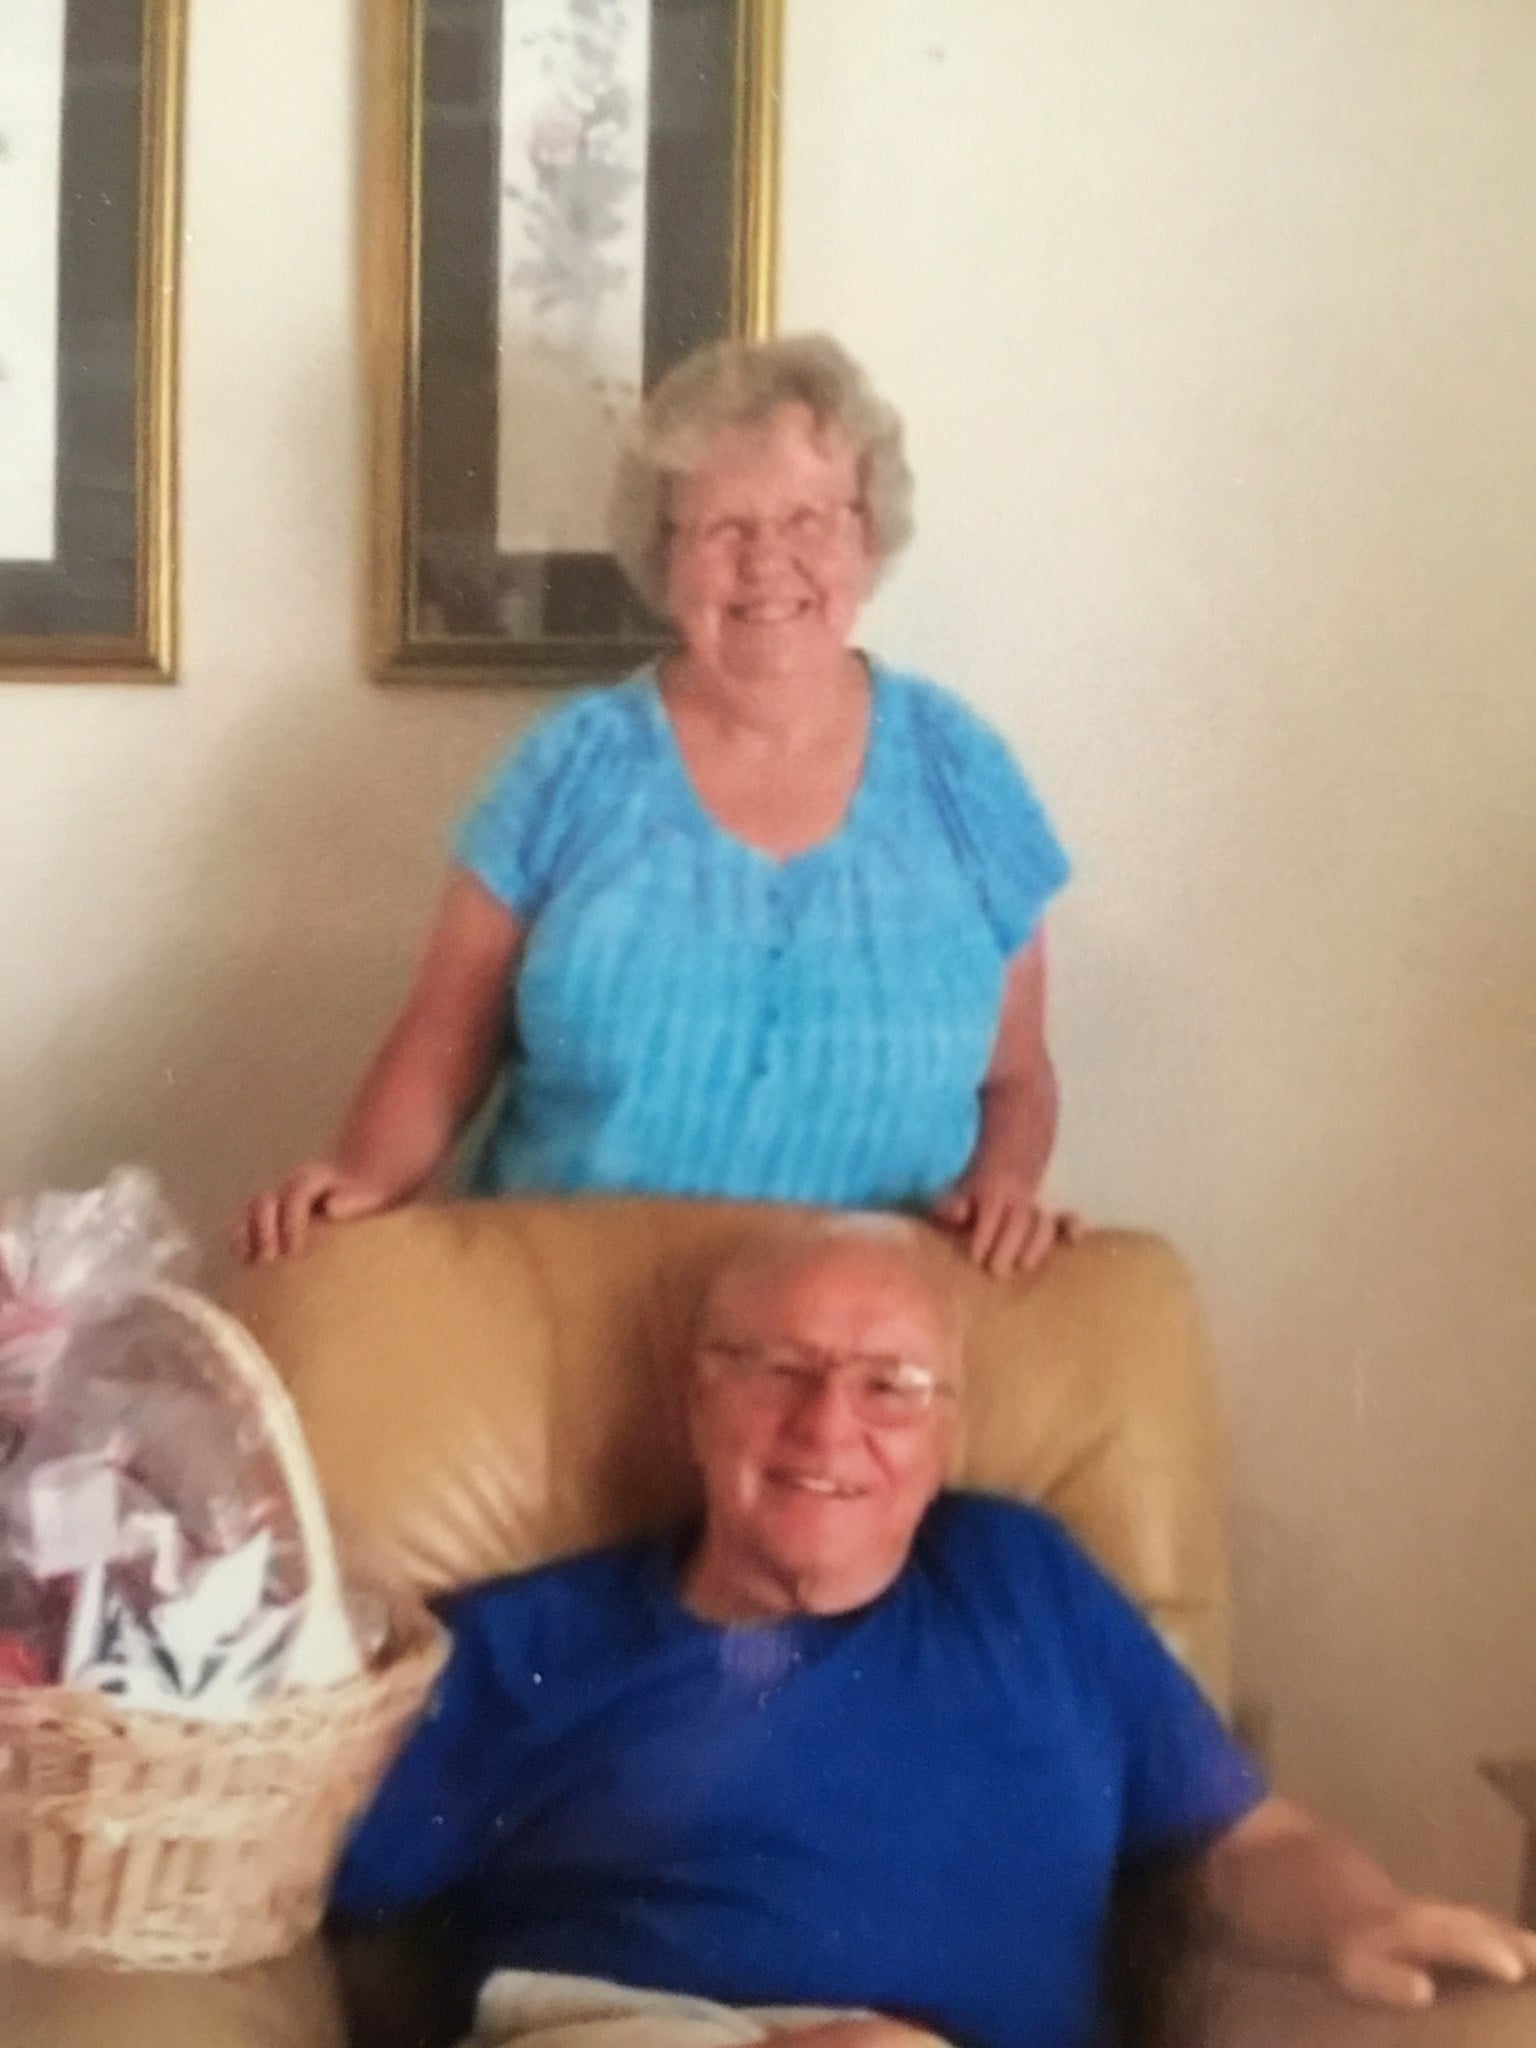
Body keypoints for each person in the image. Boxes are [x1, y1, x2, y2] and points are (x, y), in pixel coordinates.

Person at [330, 1221, 1536, 2048]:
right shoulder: (522, 1641)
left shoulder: (1027, 1582)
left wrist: (1360, 1913)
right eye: (779, 1368)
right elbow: (279, 1888)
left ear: (949, 1431)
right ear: (699, 1401)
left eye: (890, 1385)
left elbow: (1249, 1839)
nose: (827, 1424)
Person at [235, 337, 1075, 1278]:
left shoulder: (962, 772)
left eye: (808, 519)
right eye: (722, 528)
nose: (767, 562)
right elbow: (442, 1044)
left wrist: (1004, 1189)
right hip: (569, 1307)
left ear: (868, 535)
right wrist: (361, 1177)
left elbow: (1017, 1079)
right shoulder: (568, 768)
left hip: (852, 1338)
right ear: (664, 557)